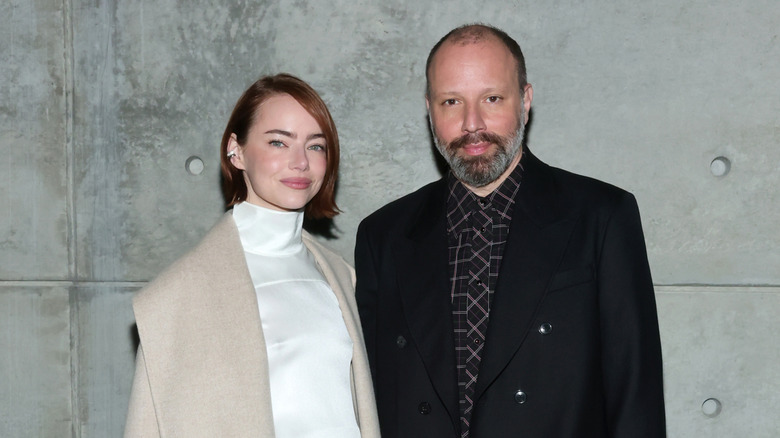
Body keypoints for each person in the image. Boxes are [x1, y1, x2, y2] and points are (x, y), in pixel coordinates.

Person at [355, 24, 666, 437]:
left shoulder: (601, 217)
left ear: (526, 100)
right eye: (452, 101)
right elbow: (368, 396)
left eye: (492, 98)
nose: (472, 123)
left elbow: (635, 398)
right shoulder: (384, 235)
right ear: (430, 109)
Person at [124, 74, 379, 437]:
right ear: (236, 151)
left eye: (316, 146)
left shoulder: (340, 275)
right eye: (278, 142)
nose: (301, 162)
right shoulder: (179, 295)